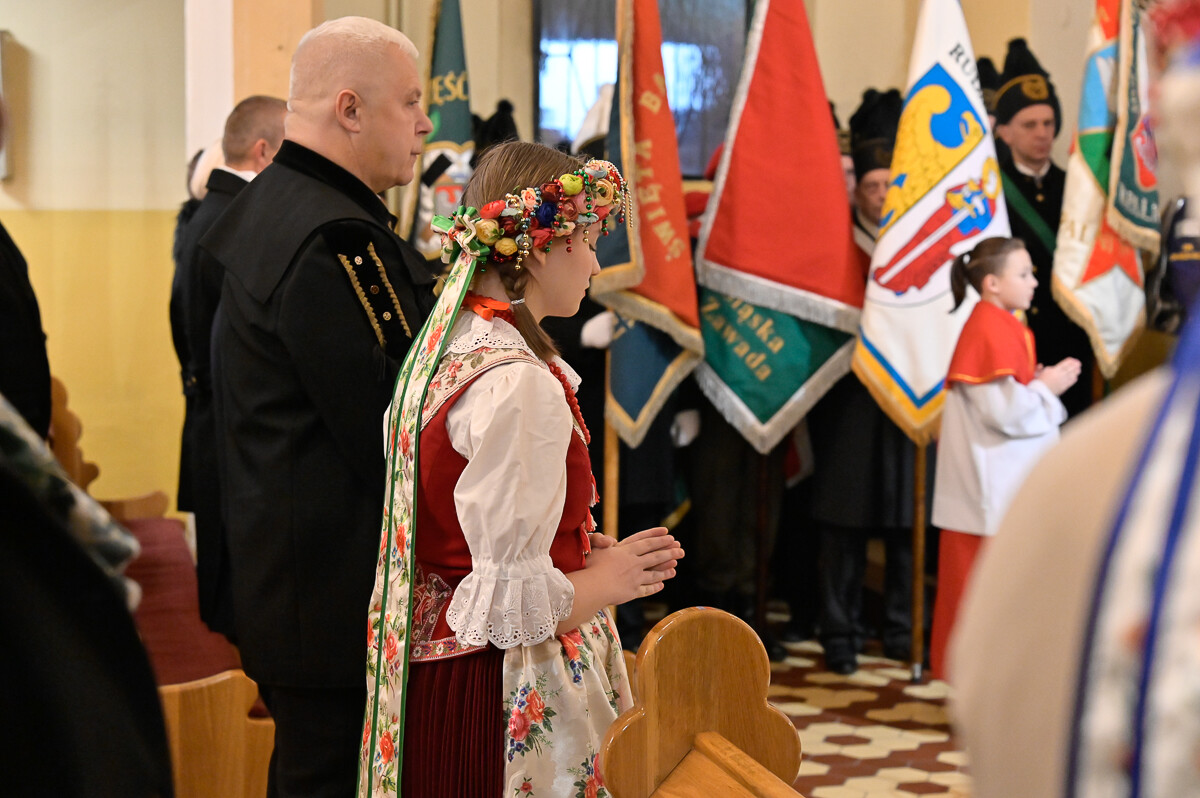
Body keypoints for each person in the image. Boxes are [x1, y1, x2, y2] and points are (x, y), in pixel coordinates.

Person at [358, 141, 684, 797]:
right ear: (539, 248)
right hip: (501, 683)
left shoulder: (452, 346)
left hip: (443, 666)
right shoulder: (517, 383)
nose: (595, 263)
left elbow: (464, 531)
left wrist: (573, 546)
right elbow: (510, 605)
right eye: (588, 241)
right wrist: (612, 580)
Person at [200, 17, 436, 797]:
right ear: (350, 109)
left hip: (290, 574)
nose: (425, 123)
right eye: (410, 101)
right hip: (331, 596)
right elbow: (395, 426)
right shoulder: (336, 239)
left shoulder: (280, 204)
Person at [806, 87, 921, 673]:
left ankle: (901, 630)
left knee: (904, 516)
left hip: (903, 393)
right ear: (857, 191)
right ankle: (840, 632)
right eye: (872, 186)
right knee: (842, 520)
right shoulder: (838, 245)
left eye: (888, 186)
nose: (880, 195)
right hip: (847, 398)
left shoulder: (916, 246)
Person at [928, 237, 1080, 677]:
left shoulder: (1002, 324)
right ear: (992, 283)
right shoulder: (990, 327)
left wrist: (1037, 385)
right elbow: (1004, 414)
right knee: (984, 598)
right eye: (1024, 274)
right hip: (988, 496)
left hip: (996, 492)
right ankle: (981, 686)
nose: (1034, 282)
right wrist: (1047, 388)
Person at [173, 95, 286, 637]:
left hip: (213, 413)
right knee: (233, 602)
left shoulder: (214, 211)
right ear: (263, 152)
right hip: (228, 423)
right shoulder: (236, 220)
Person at [994, 38, 1094, 417]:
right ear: (1004, 132)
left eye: (1048, 123)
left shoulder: (1078, 188)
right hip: (1018, 337)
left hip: (1071, 336)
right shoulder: (990, 192)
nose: (1042, 133)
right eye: (1029, 124)